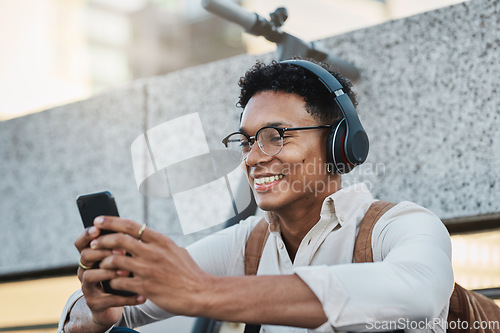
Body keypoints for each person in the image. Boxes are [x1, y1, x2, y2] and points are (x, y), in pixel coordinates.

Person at [59, 59, 454, 333]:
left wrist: (202, 291)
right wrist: (100, 308)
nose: (252, 158)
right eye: (247, 141)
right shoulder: (246, 244)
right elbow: (109, 310)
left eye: (274, 136)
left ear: (340, 143)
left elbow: (416, 293)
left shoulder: (401, 225)